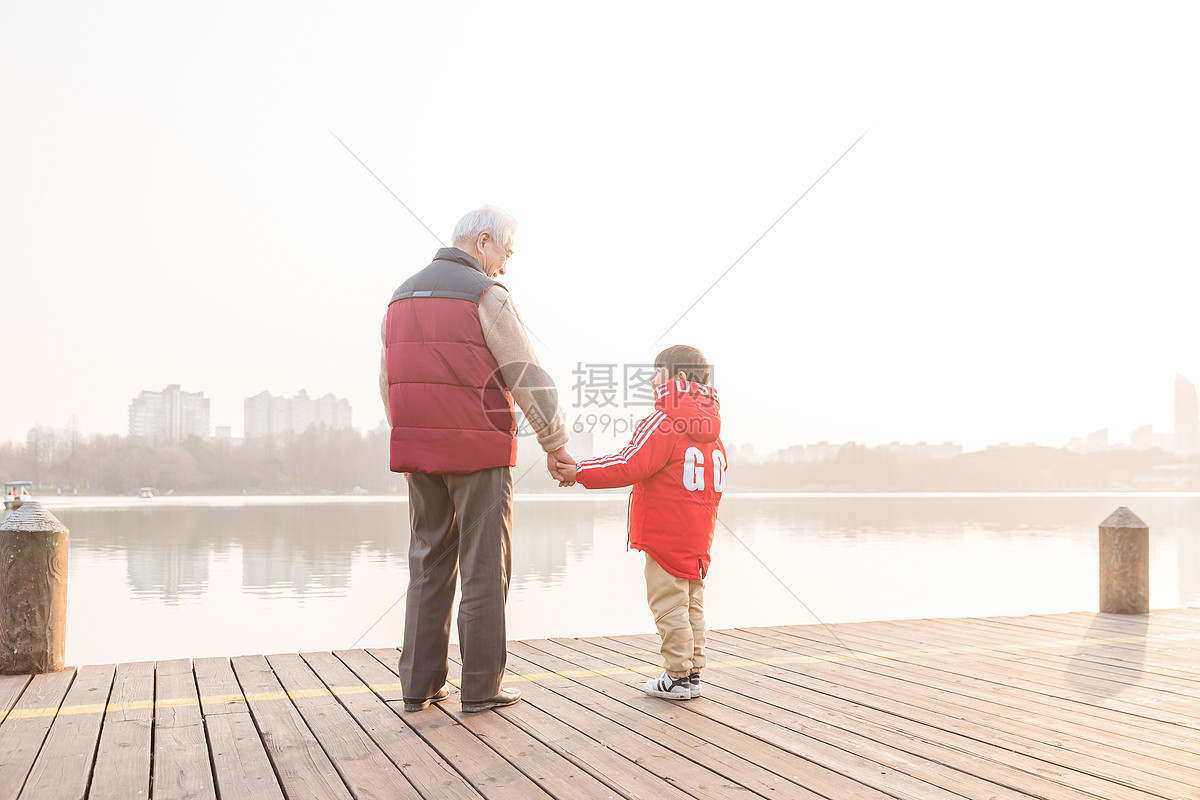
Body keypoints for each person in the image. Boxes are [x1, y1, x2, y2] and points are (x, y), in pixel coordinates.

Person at [380, 205, 574, 713]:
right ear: (483, 241)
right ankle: (483, 687)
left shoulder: (400, 295)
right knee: (485, 567)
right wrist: (554, 443)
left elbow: (387, 380)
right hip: (478, 452)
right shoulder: (486, 295)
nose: (505, 266)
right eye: (505, 253)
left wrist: (410, 430)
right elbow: (524, 372)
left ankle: (419, 686)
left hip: (418, 452)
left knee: (427, 563)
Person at [557, 345, 726, 699]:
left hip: (665, 532)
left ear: (678, 378)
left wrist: (580, 471)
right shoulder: (711, 430)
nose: (651, 380)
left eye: (657, 372)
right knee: (691, 602)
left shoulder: (665, 421)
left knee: (669, 605)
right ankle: (693, 672)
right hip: (698, 533)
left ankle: (677, 677)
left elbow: (629, 463)